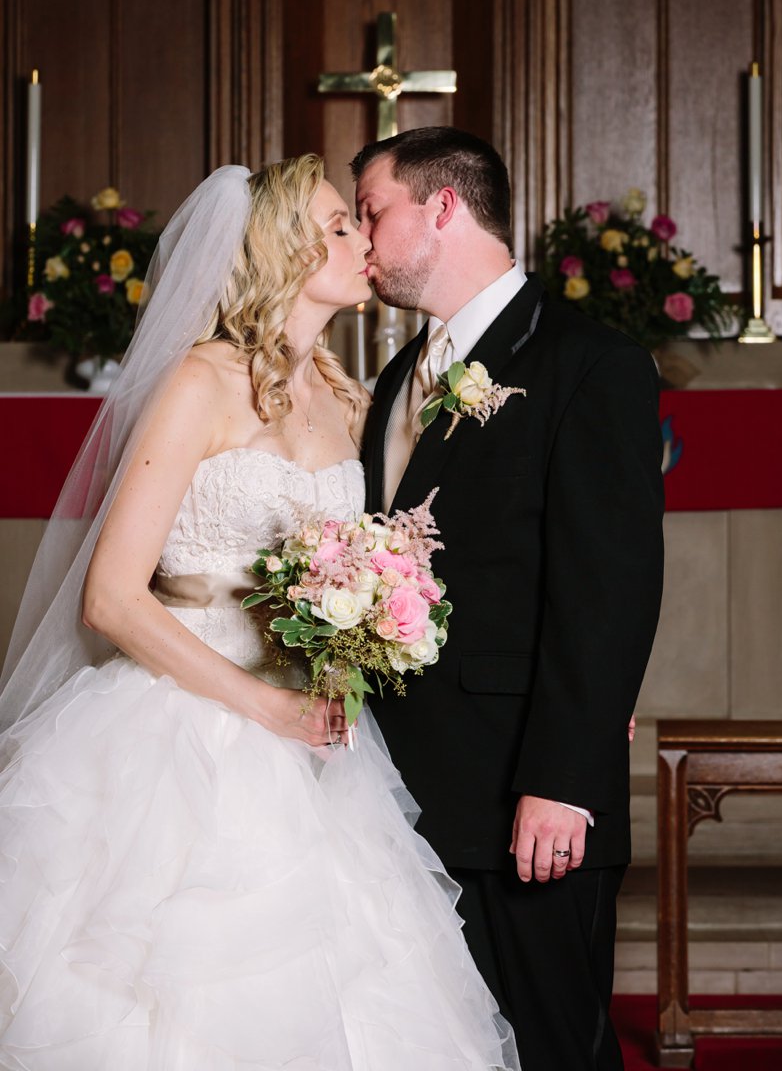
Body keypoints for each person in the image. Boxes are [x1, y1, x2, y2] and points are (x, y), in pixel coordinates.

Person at [0, 156, 519, 1069]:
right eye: (338, 225)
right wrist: (265, 705)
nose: (363, 239)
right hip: (184, 733)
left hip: (316, 745)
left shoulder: (350, 396)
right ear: (280, 247)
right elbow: (112, 597)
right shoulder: (200, 383)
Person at [354, 127, 664, 1071]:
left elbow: (607, 587)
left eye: (373, 212)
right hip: (396, 797)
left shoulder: (587, 361)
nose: (361, 238)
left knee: (552, 1050)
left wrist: (564, 782)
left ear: (441, 207)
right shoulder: (400, 378)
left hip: (523, 801)